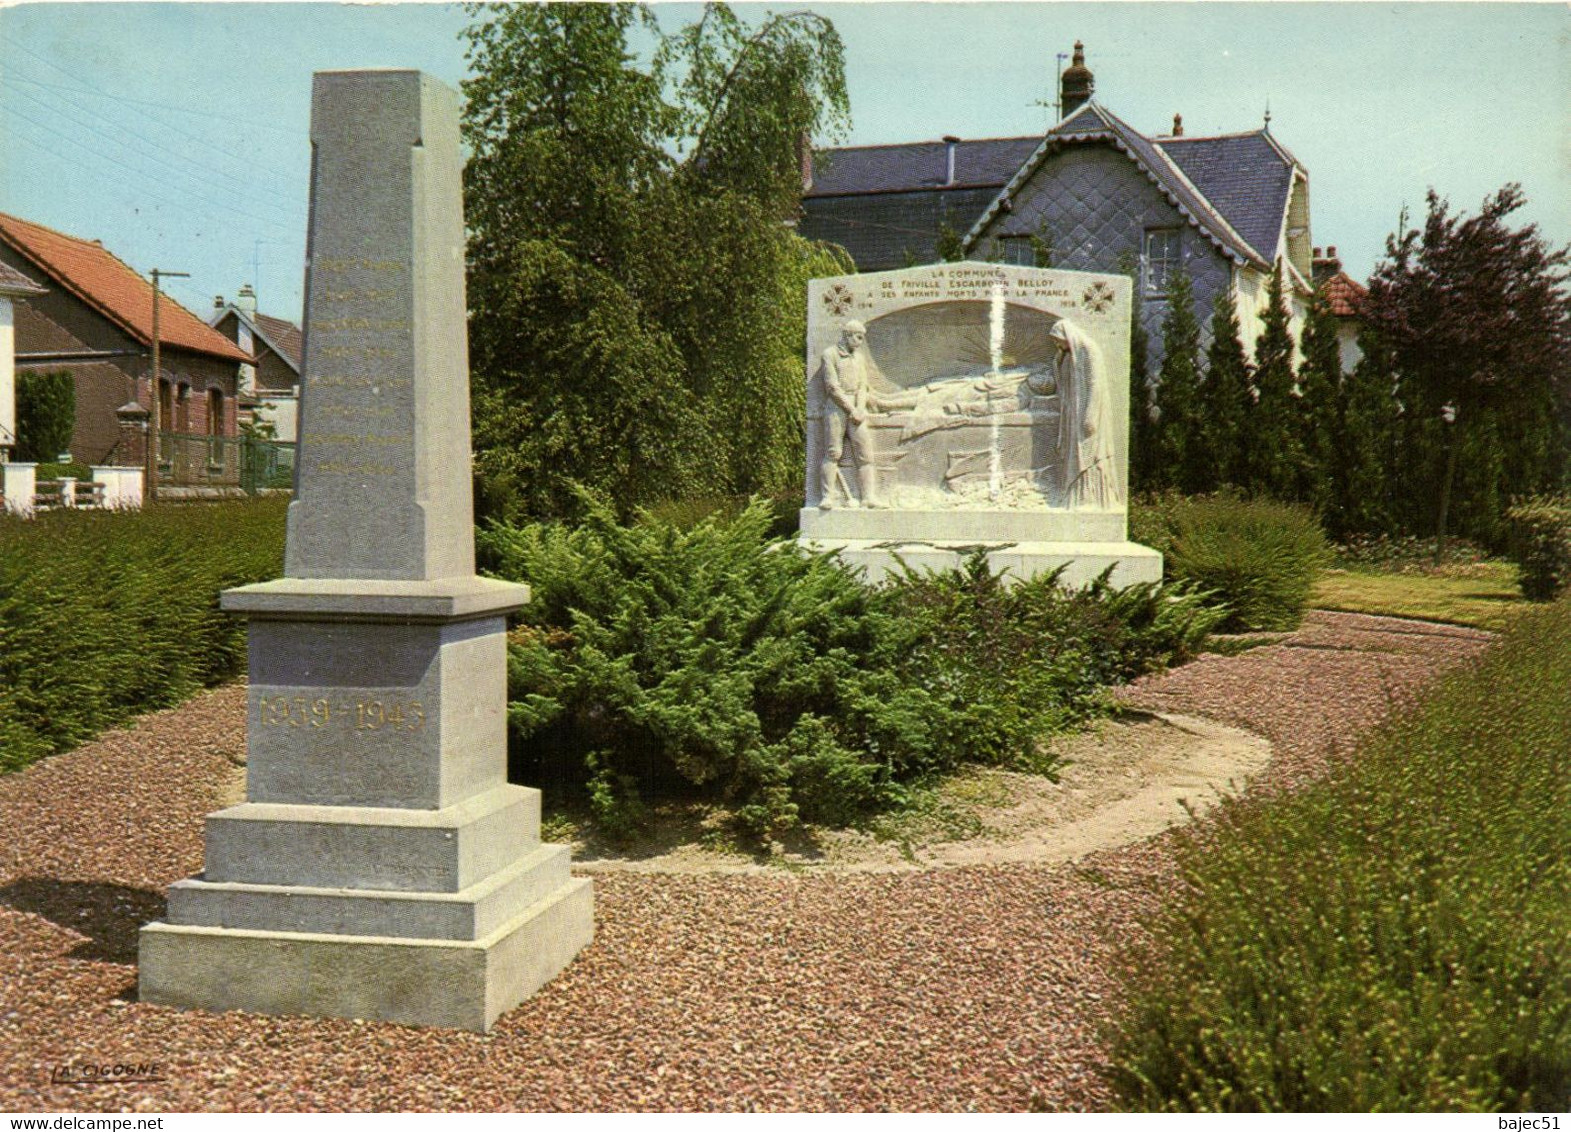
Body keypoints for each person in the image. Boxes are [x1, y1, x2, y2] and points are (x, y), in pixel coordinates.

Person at [1051, 319, 1119, 509]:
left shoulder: (1089, 349)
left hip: (1088, 414)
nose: (1057, 345)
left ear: (1067, 335)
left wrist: (1090, 414)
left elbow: (1095, 384)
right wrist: (1057, 359)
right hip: (1074, 413)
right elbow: (1060, 383)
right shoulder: (1070, 355)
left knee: (1089, 454)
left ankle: (1091, 498)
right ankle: (1076, 497)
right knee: (1076, 454)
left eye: (1058, 340)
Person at [818, 320, 884, 509]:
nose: (860, 341)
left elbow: (863, 385)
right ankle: (827, 497)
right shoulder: (830, 354)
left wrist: (861, 408)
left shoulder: (859, 357)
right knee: (833, 452)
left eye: (862, 338)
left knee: (865, 455)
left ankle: (869, 497)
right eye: (858, 337)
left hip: (857, 407)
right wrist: (851, 409)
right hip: (836, 407)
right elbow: (832, 387)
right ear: (848, 335)